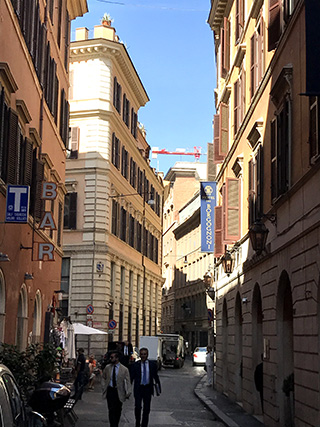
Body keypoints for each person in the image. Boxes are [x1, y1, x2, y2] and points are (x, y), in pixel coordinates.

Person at [130, 347, 161, 427]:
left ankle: (144, 424)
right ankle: (137, 422)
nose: (143, 356)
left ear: (147, 355)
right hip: (138, 388)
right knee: (138, 407)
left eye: (145, 354)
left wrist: (158, 388)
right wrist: (127, 389)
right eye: (142, 354)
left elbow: (155, 376)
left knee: (146, 408)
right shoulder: (135, 365)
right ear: (140, 355)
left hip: (147, 388)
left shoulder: (152, 365)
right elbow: (131, 378)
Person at [102, 350, 131, 427]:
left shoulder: (124, 369)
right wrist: (104, 386)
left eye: (112, 357)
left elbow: (128, 381)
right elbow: (103, 377)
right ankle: (112, 425)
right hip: (110, 390)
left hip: (119, 391)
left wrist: (128, 392)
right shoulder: (108, 367)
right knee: (111, 409)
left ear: (117, 358)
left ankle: (116, 424)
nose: (110, 359)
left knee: (118, 410)